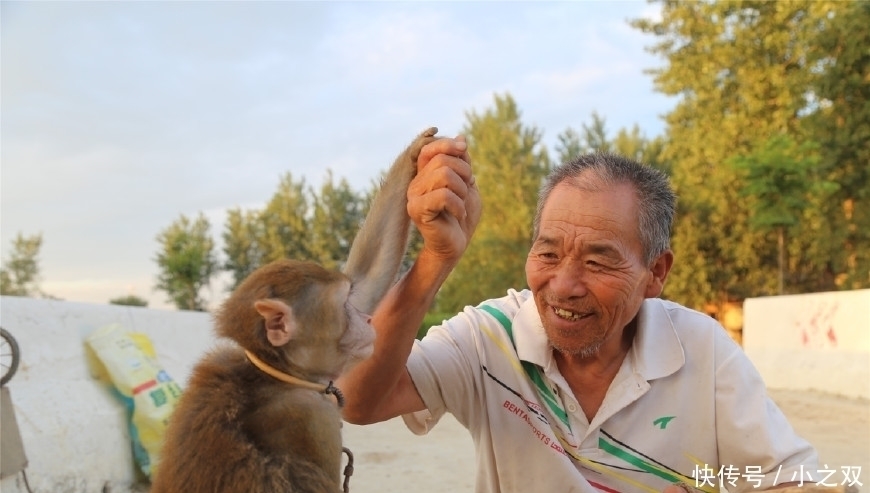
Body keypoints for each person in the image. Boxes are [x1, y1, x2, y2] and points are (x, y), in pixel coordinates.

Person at [338, 136, 819, 493]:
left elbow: (799, 481)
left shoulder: (700, 348)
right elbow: (359, 401)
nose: (563, 285)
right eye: (548, 254)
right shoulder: (489, 337)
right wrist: (434, 262)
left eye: (597, 260)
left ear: (656, 272)